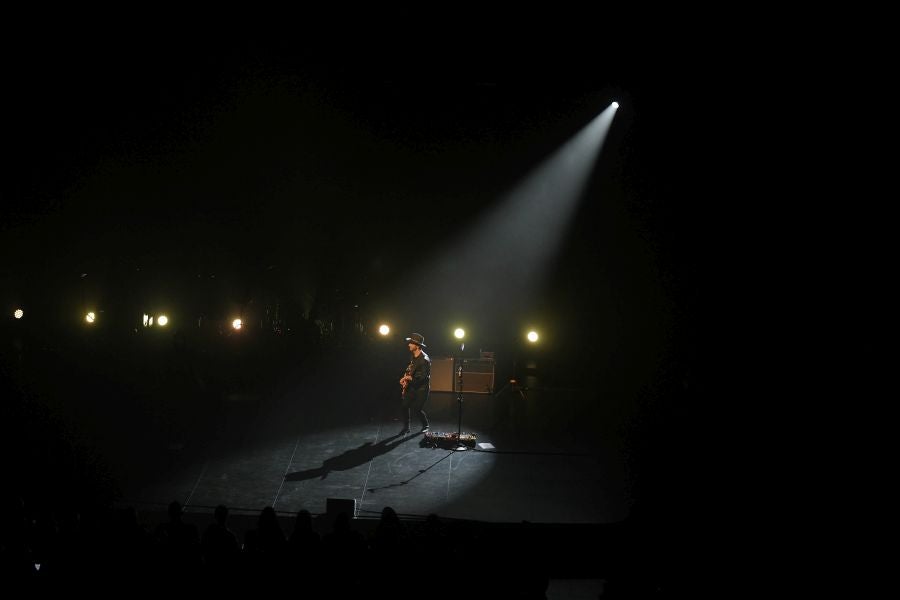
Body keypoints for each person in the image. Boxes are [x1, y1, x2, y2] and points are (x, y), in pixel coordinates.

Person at [399, 332, 431, 435]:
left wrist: (409, 378)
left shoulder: (425, 360)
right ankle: (406, 427)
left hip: (421, 388)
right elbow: (410, 369)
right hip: (412, 387)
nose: (409, 345)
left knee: (417, 409)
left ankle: (425, 425)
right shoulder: (412, 356)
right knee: (404, 405)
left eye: (411, 343)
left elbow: (423, 378)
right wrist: (405, 378)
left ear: (417, 346)